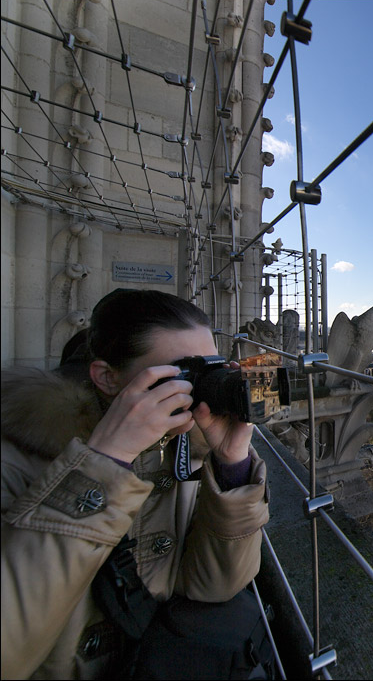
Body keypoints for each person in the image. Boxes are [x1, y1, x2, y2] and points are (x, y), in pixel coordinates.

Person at [1, 289, 270, 680]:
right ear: (108, 378)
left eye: (210, 371)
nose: (201, 390)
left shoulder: (180, 453)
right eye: (182, 375)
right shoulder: (14, 459)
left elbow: (216, 586)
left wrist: (232, 464)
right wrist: (105, 462)